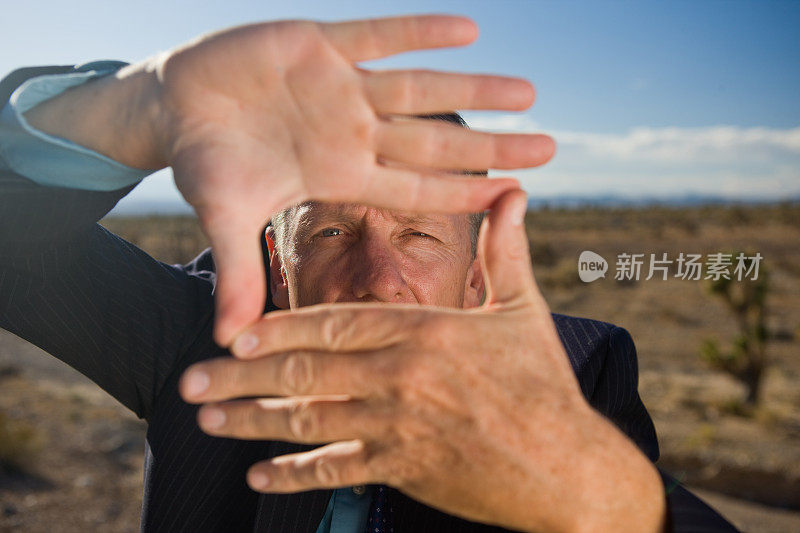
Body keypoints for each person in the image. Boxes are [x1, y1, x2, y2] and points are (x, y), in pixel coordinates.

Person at [0, 15, 736, 533]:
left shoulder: (575, 374)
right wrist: (139, 111)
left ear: (476, 279)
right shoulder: (205, 337)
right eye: (329, 230)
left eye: (417, 233)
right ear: (277, 273)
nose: (377, 278)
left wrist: (612, 502)